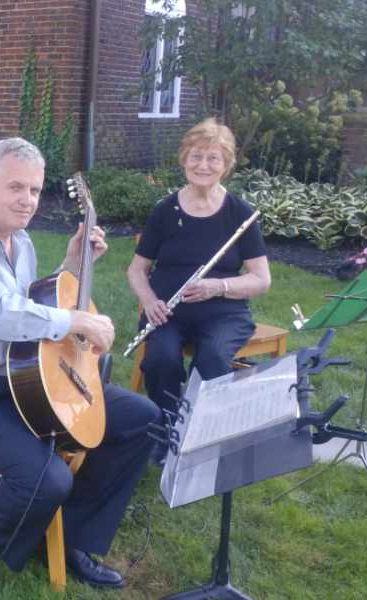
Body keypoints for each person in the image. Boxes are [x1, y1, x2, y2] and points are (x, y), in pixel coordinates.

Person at [0, 137, 160, 598]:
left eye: (35, 190)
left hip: (21, 378)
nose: (28, 201)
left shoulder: (18, 241)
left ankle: (75, 538)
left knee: (140, 421)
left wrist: (71, 261)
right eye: (15, 188)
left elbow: (28, 302)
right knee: (46, 477)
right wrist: (75, 320)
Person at [127, 118, 271, 460]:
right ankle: (165, 428)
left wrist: (217, 286)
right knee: (160, 358)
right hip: (168, 311)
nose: (203, 165)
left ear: (226, 165)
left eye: (213, 158)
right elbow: (136, 269)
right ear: (184, 159)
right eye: (196, 157)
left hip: (223, 311)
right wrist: (149, 301)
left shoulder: (241, 214)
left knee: (215, 356)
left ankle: (200, 428)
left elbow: (261, 279)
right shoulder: (165, 210)